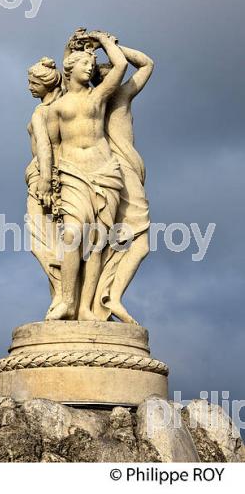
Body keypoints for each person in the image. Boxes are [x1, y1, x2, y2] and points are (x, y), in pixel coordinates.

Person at [43, 31, 128, 320]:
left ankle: (87, 307)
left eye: (92, 65)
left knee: (98, 240)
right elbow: (52, 147)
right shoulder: (55, 108)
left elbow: (120, 66)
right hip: (72, 173)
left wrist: (104, 41)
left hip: (104, 172)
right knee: (72, 234)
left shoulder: (99, 96)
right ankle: (66, 301)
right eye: (84, 65)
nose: (90, 68)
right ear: (70, 69)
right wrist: (47, 182)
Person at [92, 44, 154, 324]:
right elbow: (146, 64)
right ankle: (111, 297)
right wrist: (110, 44)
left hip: (113, 172)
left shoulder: (109, 97)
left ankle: (104, 300)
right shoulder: (114, 97)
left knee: (110, 241)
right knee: (139, 242)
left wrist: (108, 44)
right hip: (120, 173)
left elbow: (147, 65)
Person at [25, 57, 63, 316]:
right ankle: (62, 293)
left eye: (33, 82)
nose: (29, 87)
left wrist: (45, 182)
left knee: (39, 241)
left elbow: (44, 149)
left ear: (47, 84)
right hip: (62, 178)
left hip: (44, 180)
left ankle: (62, 293)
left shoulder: (42, 112)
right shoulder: (63, 105)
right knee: (59, 242)